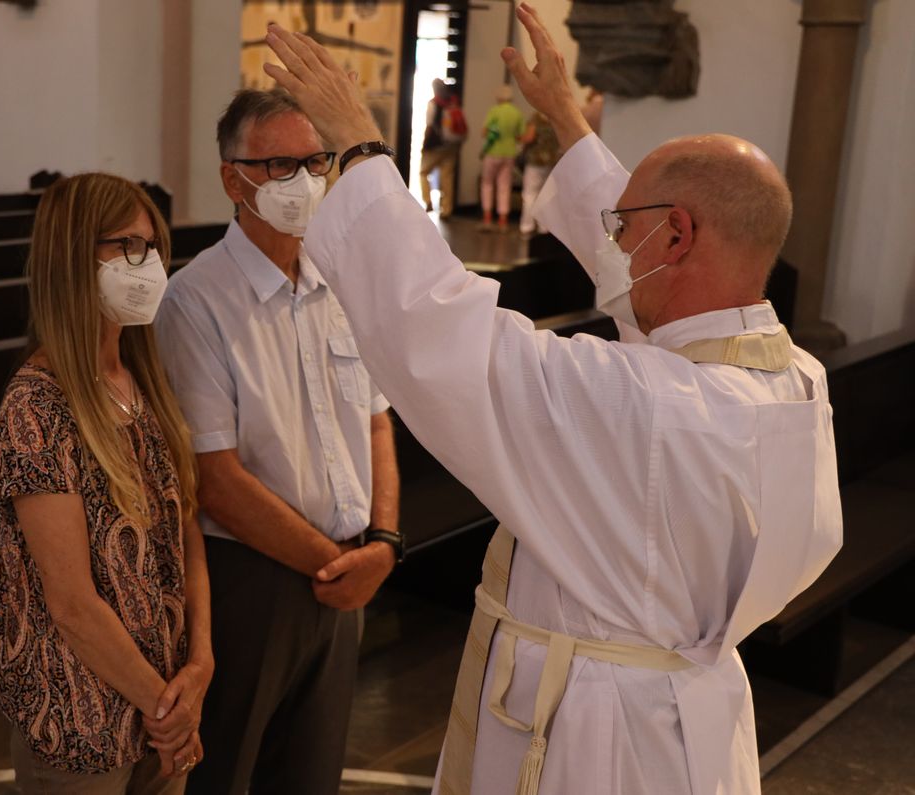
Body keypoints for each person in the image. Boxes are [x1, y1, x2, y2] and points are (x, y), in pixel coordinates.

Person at [260, 5, 841, 794]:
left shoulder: (647, 406)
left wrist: (362, 149)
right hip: (688, 718)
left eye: (624, 224)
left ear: (673, 236)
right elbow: (649, 280)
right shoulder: (793, 381)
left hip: (595, 739)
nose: (612, 240)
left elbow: (443, 331)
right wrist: (568, 120)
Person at [154, 88, 402, 795]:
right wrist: (336, 566)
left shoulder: (340, 284)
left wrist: (383, 540)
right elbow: (216, 477)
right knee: (230, 768)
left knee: (311, 772)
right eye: (280, 165)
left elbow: (377, 420)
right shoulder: (196, 300)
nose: (304, 181)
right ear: (234, 178)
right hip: (254, 579)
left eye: (315, 162)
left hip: (347, 571)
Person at [0, 174, 213, 794]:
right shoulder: (39, 406)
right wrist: (170, 712)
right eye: (127, 247)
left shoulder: (144, 378)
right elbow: (73, 604)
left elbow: (184, 526)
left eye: (154, 248)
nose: (148, 266)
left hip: (164, 697)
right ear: (72, 256)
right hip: (80, 718)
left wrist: (201, 662)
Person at [479, 84, 526, 232]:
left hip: (493, 152)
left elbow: (485, 132)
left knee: (487, 184)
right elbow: (521, 136)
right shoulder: (517, 113)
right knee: (504, 186)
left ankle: (487, 219)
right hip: (509, 153)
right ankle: (503, 221)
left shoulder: (494, 111)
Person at [421, 78, 467, 218]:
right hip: (451, 146)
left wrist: (425, 144)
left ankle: (428, 201)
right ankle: (446, 210)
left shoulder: (433, 104)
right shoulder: (453, 103)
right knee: (447, 177)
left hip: (435, 145)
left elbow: (429, 126)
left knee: (423, 172)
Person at [519, 111, 561, 238]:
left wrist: (520, 138)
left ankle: (527, 225)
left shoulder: (536, 118)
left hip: (536, 161)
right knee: (546, 195)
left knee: (530, 193)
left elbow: (529, 137)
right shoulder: (555, 117)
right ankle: (544, 227)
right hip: (551, 161)